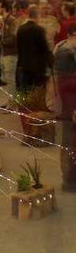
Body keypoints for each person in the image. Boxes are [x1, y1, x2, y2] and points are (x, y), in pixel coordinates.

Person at [53, 24, 76, 191]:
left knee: (67, 142)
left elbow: (56, 77)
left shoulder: (59, 47)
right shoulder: (68, 50)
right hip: (70, 100)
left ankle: (68, 180)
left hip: (66, 103)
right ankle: (70, 180)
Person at [16, 5, 52, 94]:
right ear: (37, 16)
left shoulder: (21, 29)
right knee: (38, 91)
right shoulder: (39, 30)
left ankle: (26, 107)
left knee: (26, 90)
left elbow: (18, 47)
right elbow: (44, 48)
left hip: (24, 64)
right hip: (38, 66)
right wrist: (50, 62)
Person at [0, 0, 18, 102]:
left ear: (3, 8)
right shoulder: (3, 20)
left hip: (10, 54)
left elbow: (13, 37)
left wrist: (2, 42)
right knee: (5, 78)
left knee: (10, 79)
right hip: (4, 52)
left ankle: (12, 103)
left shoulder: (11, 21)